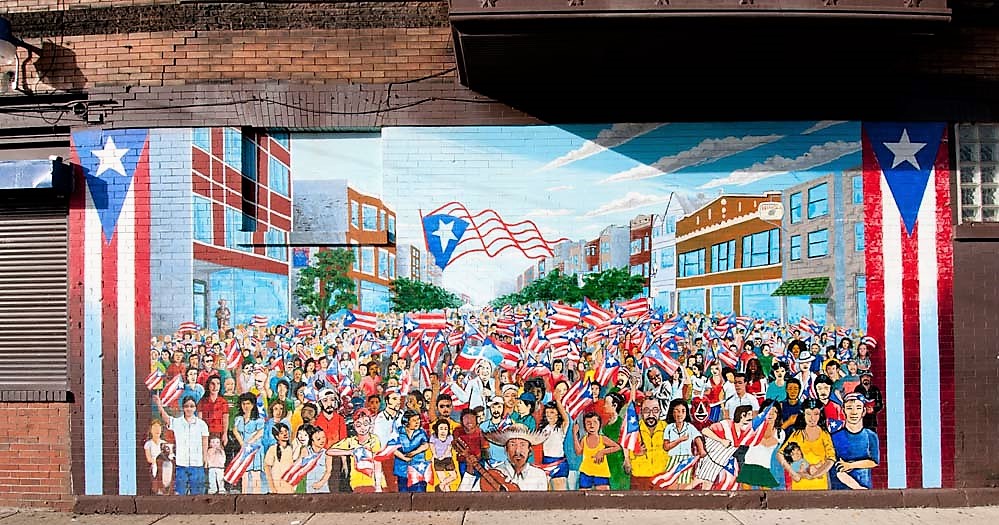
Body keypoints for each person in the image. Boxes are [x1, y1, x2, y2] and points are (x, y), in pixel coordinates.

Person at [154, 395, 209, 495]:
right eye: (187, 406)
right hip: (181, 464)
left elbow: (205, 442)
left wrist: (205, 458)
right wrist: (159, 405)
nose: (189, 408)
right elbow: (166, 418)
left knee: (197, 494)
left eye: (192, 406)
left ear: (195, 408)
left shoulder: (202, 424)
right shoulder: (177, 422)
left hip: (197, 464)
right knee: (180, 494)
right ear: (183, 407)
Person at [778, 399, 836, 490]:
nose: (812, 418)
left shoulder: (825, 435)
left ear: (820, 415)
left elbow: (831, 460)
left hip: (819, 485)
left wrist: (814, 475)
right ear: (803, 415)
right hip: (799, 486)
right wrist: (792, 472)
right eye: (808, 414)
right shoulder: (797, 435)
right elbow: (780, 454)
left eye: (816, 414)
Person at [327, 409, 386, 493]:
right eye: (359, 425)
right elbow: (329, 451)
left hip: (374, 482)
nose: (363, 428)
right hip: (357, 482)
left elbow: (377, 463)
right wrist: (349, 452)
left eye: (365, 424)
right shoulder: (351, 441)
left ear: (370, 425)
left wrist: (378, 486)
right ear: (354, 426)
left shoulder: (374, 439)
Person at [830, 393, 880, 490]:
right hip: (840, 491)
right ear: (843, 410)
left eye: (858, 407)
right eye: (849, 408)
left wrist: (850, 465)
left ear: (863, 411)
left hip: (865, 490)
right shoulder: (834, 437)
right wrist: (857, 488)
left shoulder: (871, 436)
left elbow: (874, 461)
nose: (854, 412)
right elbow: (837, 469)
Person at [479, 423, 549, 491]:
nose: (517, 451)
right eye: (513, 445)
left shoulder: (539, 475)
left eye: (522, 445)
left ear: (530, 451)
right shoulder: (494, 475)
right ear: (506, 449)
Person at [627, 397, 669, 491]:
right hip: (639, 480)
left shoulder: (668, 428)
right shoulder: (633, 429)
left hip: (662, 480)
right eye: (646, 411)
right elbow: (625, 451)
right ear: (641, 412)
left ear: (660, 411)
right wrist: (635, 453)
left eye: (655, 410)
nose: (651, 415)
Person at [573, 412, 622, 491]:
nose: (592, 426)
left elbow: (617, 447)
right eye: (588, 423)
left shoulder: (602, 439)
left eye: (595, 422)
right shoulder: (584, 439)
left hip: (601, 472)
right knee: (583, 497)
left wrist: (602, 452)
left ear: (599, 425)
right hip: (586, 471)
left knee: (603, 497)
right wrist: (574, 435)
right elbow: (578, 452)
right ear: (585, 426)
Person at [662, 399, 703, 489]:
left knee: (684, 484)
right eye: (676, 411)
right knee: (671, 483)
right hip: (673, 459)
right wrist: (679, 440)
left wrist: (701, 452)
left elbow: (698, 439)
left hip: (686, 459)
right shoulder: (669, 428)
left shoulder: (690, 427)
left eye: (683, 411)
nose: (680, 414)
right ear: (672, 413)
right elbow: (666, 447)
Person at [390, 409, 430, 492]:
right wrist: (404, 458)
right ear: (406, 421)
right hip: (402, 470)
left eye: (418, 419)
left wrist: (414, 452)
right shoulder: (398, 432)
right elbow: (392, 447)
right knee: (403, 494)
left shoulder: (421, 432)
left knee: (419, 494)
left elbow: (426, 445)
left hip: (418, 469)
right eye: (414, 420)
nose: (417, 422)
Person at [233, 392, 265, 494]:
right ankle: (244, 494)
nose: (245, 406)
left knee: (255, 474)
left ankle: (257, 496)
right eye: (243, 404)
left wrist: (250, 442)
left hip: (255, 448)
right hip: (244, 448)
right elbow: (235, 430)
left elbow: (260, 432)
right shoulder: (238, 419)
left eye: (248, 404)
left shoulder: (258, 419)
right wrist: (242, 443)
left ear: (253, 405)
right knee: (244, 474)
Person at [538, 400, 570, 490]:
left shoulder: (561, 427)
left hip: (559, 462)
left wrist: (558, 400)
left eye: (552, 412)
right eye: (547, 412)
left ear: (558, 414)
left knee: (560, 494)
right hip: (546, 462)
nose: (548, 415)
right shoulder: (543, 428)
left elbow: (566, 418)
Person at [263, 422, 296, 494]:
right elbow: (267, 468)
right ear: (277, 436)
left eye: (286, 431)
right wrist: (272, 487)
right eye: (281, 433)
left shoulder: (292, 448)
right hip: (277, 484)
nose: (285, 434)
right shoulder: (272, 449)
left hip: (289, 485)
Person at [429, 419, 459, 491]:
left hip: (447, 459)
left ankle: (440, 486)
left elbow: (449, 448)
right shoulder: (434, 436)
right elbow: (432, 445)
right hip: (437, 460)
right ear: (437, 429)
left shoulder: (450, 437)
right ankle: (448, 496)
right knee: (442, 479)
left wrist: (444, 456)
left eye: (445, 429)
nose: (443, 431)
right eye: (441, 428)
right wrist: (435, 455)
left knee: (454, 476)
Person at [144, 420, 167, 495]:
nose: (157, 430)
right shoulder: (148, 444)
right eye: (155, 428)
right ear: (151, 430)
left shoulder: (164, 443)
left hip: (164, 467)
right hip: (154, 466)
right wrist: (156, 462)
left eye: (159, 428)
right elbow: (149, 458)